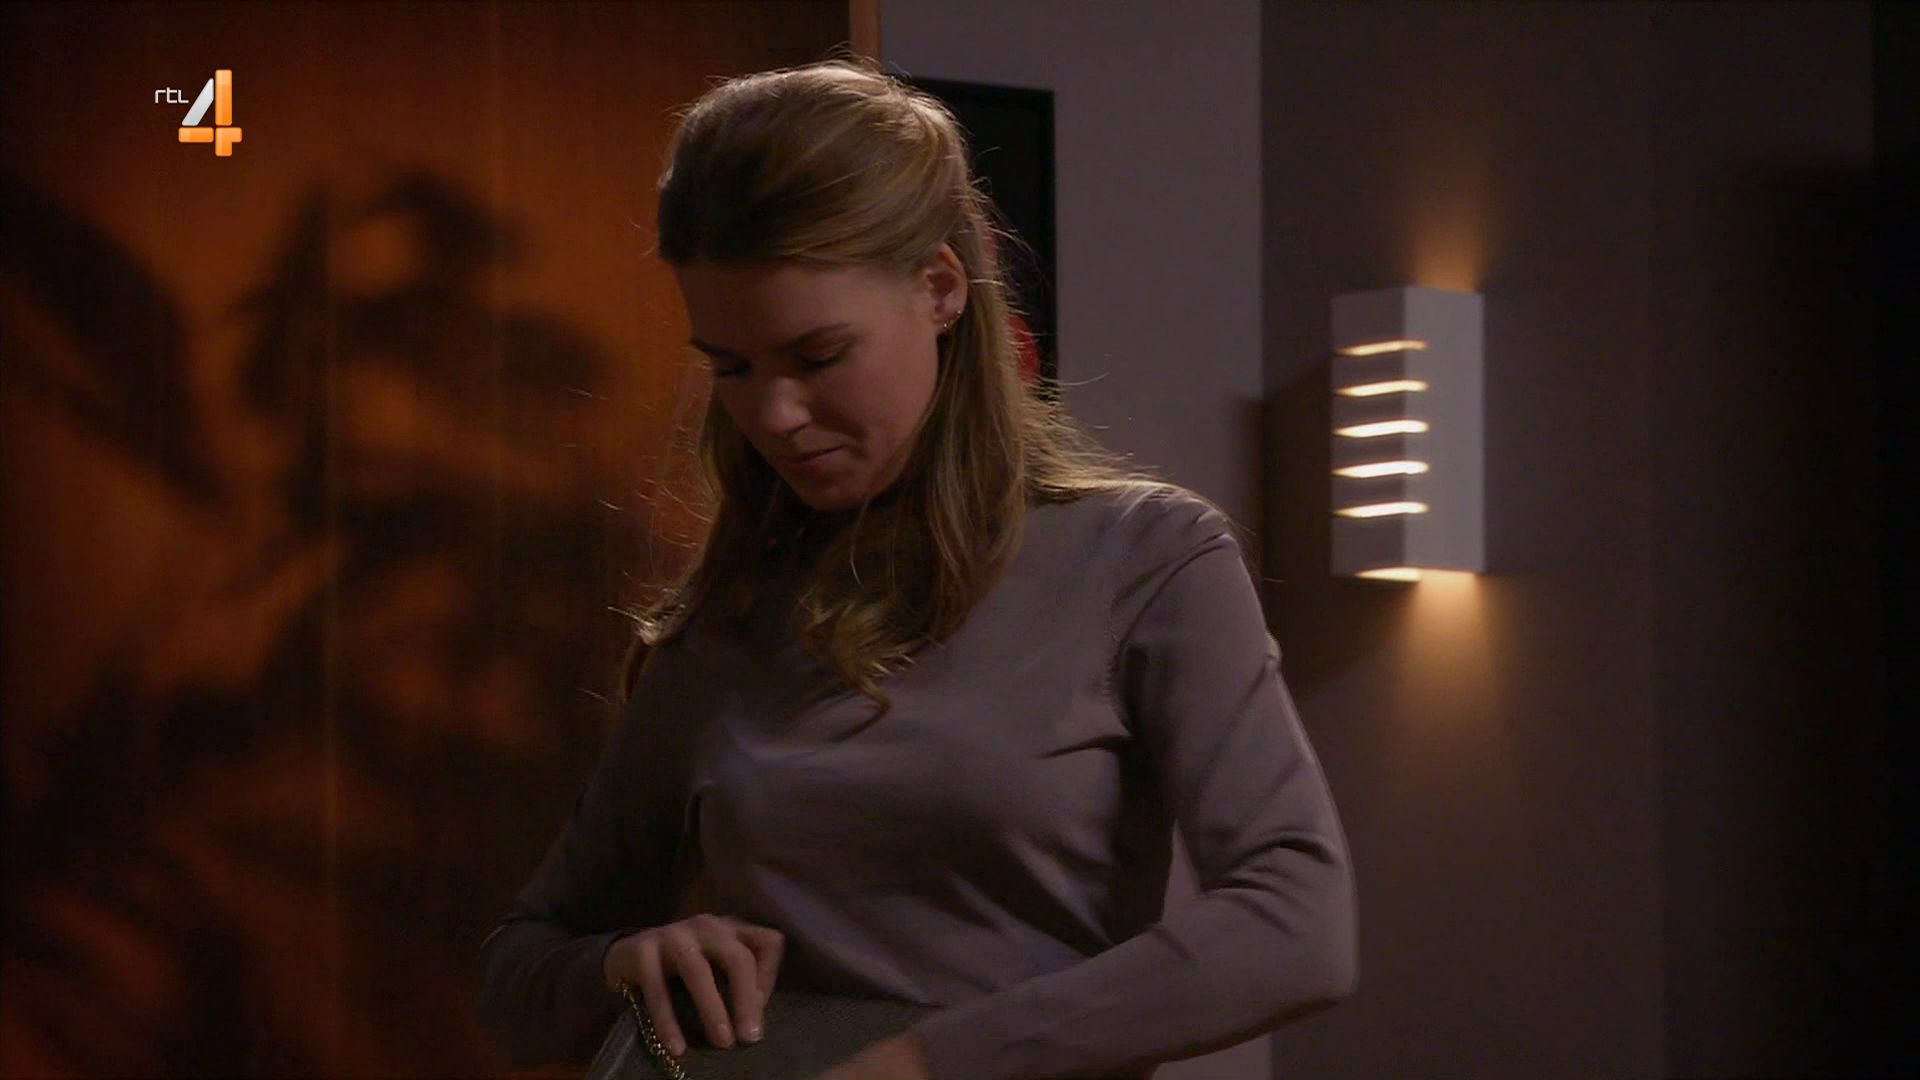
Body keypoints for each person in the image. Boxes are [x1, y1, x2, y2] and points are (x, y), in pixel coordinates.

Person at [473, 52, 1357, 1080]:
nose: (773, 414)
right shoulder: (732, 614)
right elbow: (515, 980)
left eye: (817, 357)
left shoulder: (1146, 559)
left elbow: (1296, 925)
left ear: (939, 288)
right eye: (733, 368)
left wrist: (925, 1064)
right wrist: (622, 965)